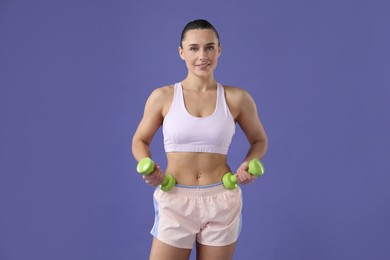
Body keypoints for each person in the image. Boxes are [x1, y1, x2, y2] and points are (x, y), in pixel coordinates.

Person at [132, 19, 268, 260]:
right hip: (175, 199)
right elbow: (140, 140)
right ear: (181, 52)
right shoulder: (162, 97)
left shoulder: (238, 98)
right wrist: (148, 165)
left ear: (219, 50)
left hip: (222, 200)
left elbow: (259, 140)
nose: (202, 55)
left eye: (209, 47)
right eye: (194, 48)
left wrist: (249, 164)